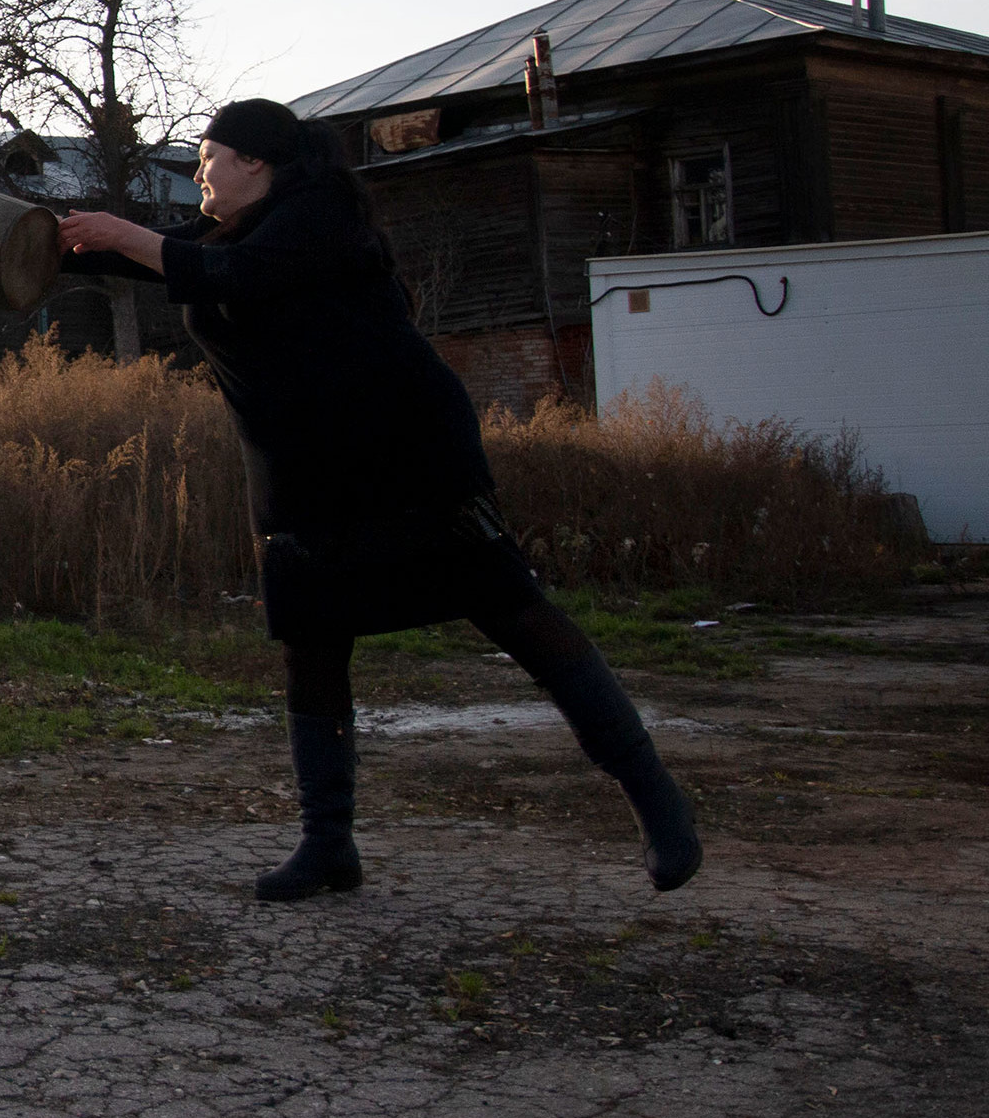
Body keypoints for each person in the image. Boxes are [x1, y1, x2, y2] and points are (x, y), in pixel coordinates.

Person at [53, 98, 702, 900]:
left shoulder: (320, 219)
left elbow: (228, 276)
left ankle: (657, 800)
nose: (199, 175)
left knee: (515, 612)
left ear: (256, 161)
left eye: (206, 158)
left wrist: (123, 232)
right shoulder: (234, 232)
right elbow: (159, 258)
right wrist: (45, 238)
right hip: (306, 478)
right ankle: (328, 844)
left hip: (405, 460)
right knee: (312, 647)